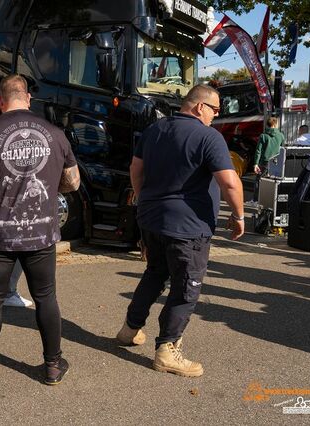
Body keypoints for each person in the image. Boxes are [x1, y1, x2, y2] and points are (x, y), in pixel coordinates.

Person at [0, 74, 80, 391]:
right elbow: (73, 182)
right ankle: (53, 366)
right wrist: (52, 184)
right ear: (27, 99)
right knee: (46, 298)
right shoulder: (55, 134)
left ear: (0, 101)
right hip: (40, 235)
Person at [115, 85, 244, 377]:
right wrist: (239, 216)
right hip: (188, 228)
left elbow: (136, 170)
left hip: (153, 221)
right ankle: (167, 349)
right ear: (200, 107)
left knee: (154, 275)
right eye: (215, 109)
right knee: (186, 288)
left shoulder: (154, 130)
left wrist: (143, 200)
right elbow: (231, 183)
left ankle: (129, 330)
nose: (216, 115)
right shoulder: (208, 137)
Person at [251, 116, 285, 202]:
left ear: (267, 124)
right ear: (276, 124)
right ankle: (271, 201)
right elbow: (283, 148)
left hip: (265, 162)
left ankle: (256, 200)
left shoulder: (263, 136)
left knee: (259, 181)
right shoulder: (281, 135)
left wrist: (255, 164)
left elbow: (258, 150)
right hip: (277, 162)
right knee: (274, 182)